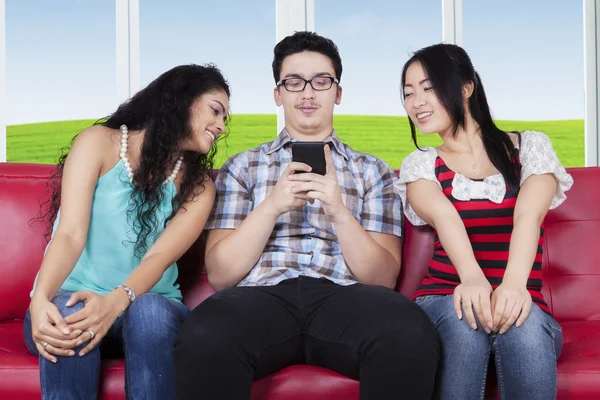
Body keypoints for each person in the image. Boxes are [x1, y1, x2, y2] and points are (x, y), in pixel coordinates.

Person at [173, 31, 440, 400]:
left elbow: (381, 279)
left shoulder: (371, 171)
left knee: (409, 332)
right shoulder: (243, 166)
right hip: (260, 297)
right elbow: (221, 275)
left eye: (321, 81)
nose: (308, 93)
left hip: (347, 297)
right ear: (278, 95)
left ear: (338, 93)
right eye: (294, 82)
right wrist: (273, 205)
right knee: (203, 334)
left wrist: (338, 211)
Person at [24, 63, 230, 400]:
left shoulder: (198, 189)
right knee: (69, 312)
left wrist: (115, 303)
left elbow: (160, 257)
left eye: (225, 118)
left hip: (147, 312)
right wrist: (40, 301)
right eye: (215, 111)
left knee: (147, 310)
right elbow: (70, 234)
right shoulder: (97, 143)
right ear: (182, 99)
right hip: (72, 304)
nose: (221, 126)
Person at [396, 43, 573, 399]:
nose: (416, 102)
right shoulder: (421, 165)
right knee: (466, 317)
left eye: (428, 87)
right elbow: (446, 219)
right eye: (408, 93)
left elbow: (529, 215)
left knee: (520, 327)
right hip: (444, 299)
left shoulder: (530, 148)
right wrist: (474, 280)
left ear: (466, 87)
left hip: (519, 296)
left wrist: (511, 288)